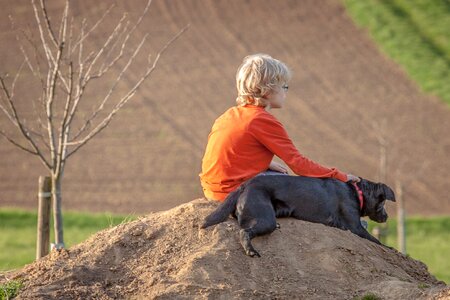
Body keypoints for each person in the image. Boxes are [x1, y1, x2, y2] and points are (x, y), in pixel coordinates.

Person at [199, 54, 360, 202]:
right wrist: (339, 176)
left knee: (278, 174)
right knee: (304, 188)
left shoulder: (230, 115)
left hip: (212, 189)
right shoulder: (262, 120)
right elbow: (299, 165)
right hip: (232, 193)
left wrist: (265, 164)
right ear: (268, 91)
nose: (286, 92)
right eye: (284, 86)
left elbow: (229, 153)